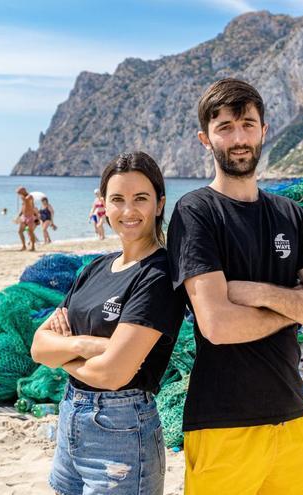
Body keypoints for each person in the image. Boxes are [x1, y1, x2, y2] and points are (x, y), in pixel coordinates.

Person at [167, 78, 303, 494]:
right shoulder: (196, 212)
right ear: (205, 139)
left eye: (247, 124)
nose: (238, 137)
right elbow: (218, 327)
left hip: (293, 418)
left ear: (264, 131)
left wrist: (261, 294)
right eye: (224, 127)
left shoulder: (289, 215)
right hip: (223, 423)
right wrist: (296, 307)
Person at [30, 151, 186, 495]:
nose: (128, 211)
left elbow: (113, 374)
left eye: (140, 199)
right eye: (117, 199)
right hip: (69, 419)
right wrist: (86, 346)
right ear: (104, 205)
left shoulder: (159, 276)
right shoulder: (95, 269)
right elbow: (39, 347)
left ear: (159, 204)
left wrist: (63, 357)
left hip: (122, 430)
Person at [16, 187, 37, 251]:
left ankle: (33, 247)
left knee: (30, 232)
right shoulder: (23, 198)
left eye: (20, 192)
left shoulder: (30, 196)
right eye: (18, 193)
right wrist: (19, 216)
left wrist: (22, 197)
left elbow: (26, 200)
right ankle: (24, 246)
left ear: (24, 191)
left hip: (30, 217)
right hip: (24, 217)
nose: (19, 194)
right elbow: (23, 208)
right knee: (20, 231)